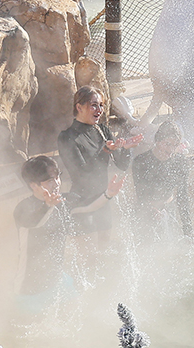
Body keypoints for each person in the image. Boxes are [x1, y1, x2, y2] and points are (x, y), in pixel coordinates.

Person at [13, 155, 125, 295]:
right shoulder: (23, 208)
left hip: (57, 278)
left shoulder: (64, 201)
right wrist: (47, 206)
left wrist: (109, 193)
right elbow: (34, 222)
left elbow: (88, 205)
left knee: (78, 303)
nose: (56, 183)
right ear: (34, 185)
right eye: (49, 180)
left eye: (57, 177)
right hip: (29, 285)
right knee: (28, 316)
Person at [56, 86, 142, 236]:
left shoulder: (102, 130)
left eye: (101, 105)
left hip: (103, 199)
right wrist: (106, 151)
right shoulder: (67, 137)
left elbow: (122, 165)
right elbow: (81, 173)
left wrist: (126, 148)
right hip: (82, 202)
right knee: (88, 256)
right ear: (79, 107)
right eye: (94, 105)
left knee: (105, 254)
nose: (99, 109)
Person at [131, 120, 193, 242]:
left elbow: (182, 196)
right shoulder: (141, 161)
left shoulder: (181, 162)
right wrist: (151, 210)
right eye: (167, 144)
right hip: (145, 211)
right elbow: (140, 193)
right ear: (157, 141)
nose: (171, 150)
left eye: (175, 145)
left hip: (168, 210)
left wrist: (188, 228)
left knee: (172, 249)